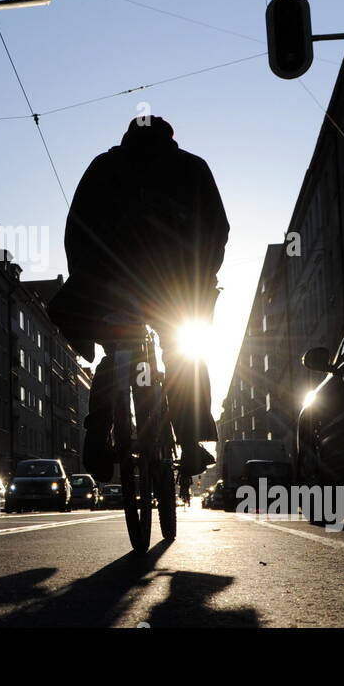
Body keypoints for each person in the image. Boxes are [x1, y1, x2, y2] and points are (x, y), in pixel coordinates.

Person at [47, 116, 229, 483]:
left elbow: (75, 228)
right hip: (173, 284)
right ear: (169, 139)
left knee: (117, 352)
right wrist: (205, 274)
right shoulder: (191, 167)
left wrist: (84, 280)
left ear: (127, 137)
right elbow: (217, 228)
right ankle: (191, 440)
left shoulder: (105, 165)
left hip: (112, 281)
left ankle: (98, 431)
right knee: (181, 355)